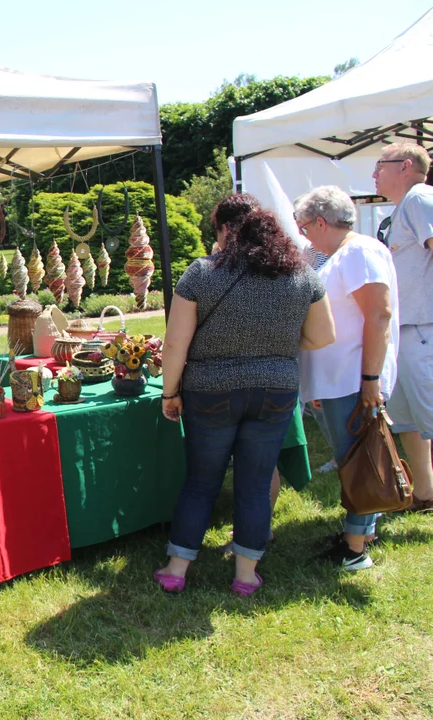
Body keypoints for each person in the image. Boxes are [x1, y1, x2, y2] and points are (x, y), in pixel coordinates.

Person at [157, 196, 334, 595]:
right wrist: (278, 345)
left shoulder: (202, 273)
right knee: (255, 484)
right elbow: (324, 336)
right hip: (275, 390)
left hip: (210, 391)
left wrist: (170, 393)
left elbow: (175, 344)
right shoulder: (302, 276)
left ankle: (176, 568)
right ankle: (245, 575)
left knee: (201, 482)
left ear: (225, 231)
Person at [295, 185, 400, 571]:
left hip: (352, 381)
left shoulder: (359, 252)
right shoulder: (347, 253)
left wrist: (370, 378)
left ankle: (356, 548)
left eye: (304, 227)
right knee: (352, 460)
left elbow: (379, 314)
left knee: (359, 463)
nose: (303, 235)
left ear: (321, 222)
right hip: (338, 381)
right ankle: (360, 532)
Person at [373, 143, 433, 512]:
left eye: (380, 165)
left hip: (423, 328)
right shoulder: (403, 207)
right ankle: (426, 493)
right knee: (408, 420)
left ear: (405, 166)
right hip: (406, 331)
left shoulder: (419, 198)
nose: (374, 174)